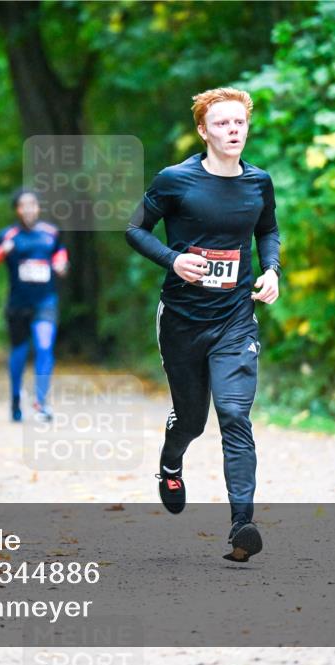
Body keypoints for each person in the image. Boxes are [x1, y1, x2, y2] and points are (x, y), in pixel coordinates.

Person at [125, 87, 281, 562]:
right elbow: (133, 229)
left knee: (234, 415)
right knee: (193, 418)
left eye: (239, 123)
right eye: (222, 124)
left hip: (235, 319)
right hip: (183, 320)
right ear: (203, 131)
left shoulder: (259, 182)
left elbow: (267, 230)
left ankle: (242, 526)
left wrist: (271, 268)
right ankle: (171, 462)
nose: (233, 131)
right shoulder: (175, 181)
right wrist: (173, 261)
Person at [0, 189, 69, 422]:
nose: (29, 209)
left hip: (45, 301)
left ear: (38, 208)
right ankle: (15, 399)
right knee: (19, 353)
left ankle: (41, 403)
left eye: (33, 205)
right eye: (23, 205)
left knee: (44, 346)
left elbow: (61, 255)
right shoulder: (7, 235)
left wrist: (61, 265)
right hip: (18, 304)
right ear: (17, 210)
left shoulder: (51, 233)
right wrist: (1, 251)